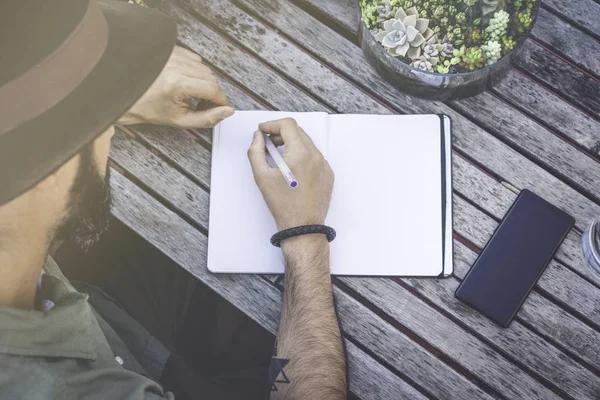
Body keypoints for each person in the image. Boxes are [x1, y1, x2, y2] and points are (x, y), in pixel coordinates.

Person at [0, 0, 347, 399]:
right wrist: (304, 233)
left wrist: (105, 98)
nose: (109, 130)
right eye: (96, 124)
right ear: (47, 166)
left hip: (115, 325)